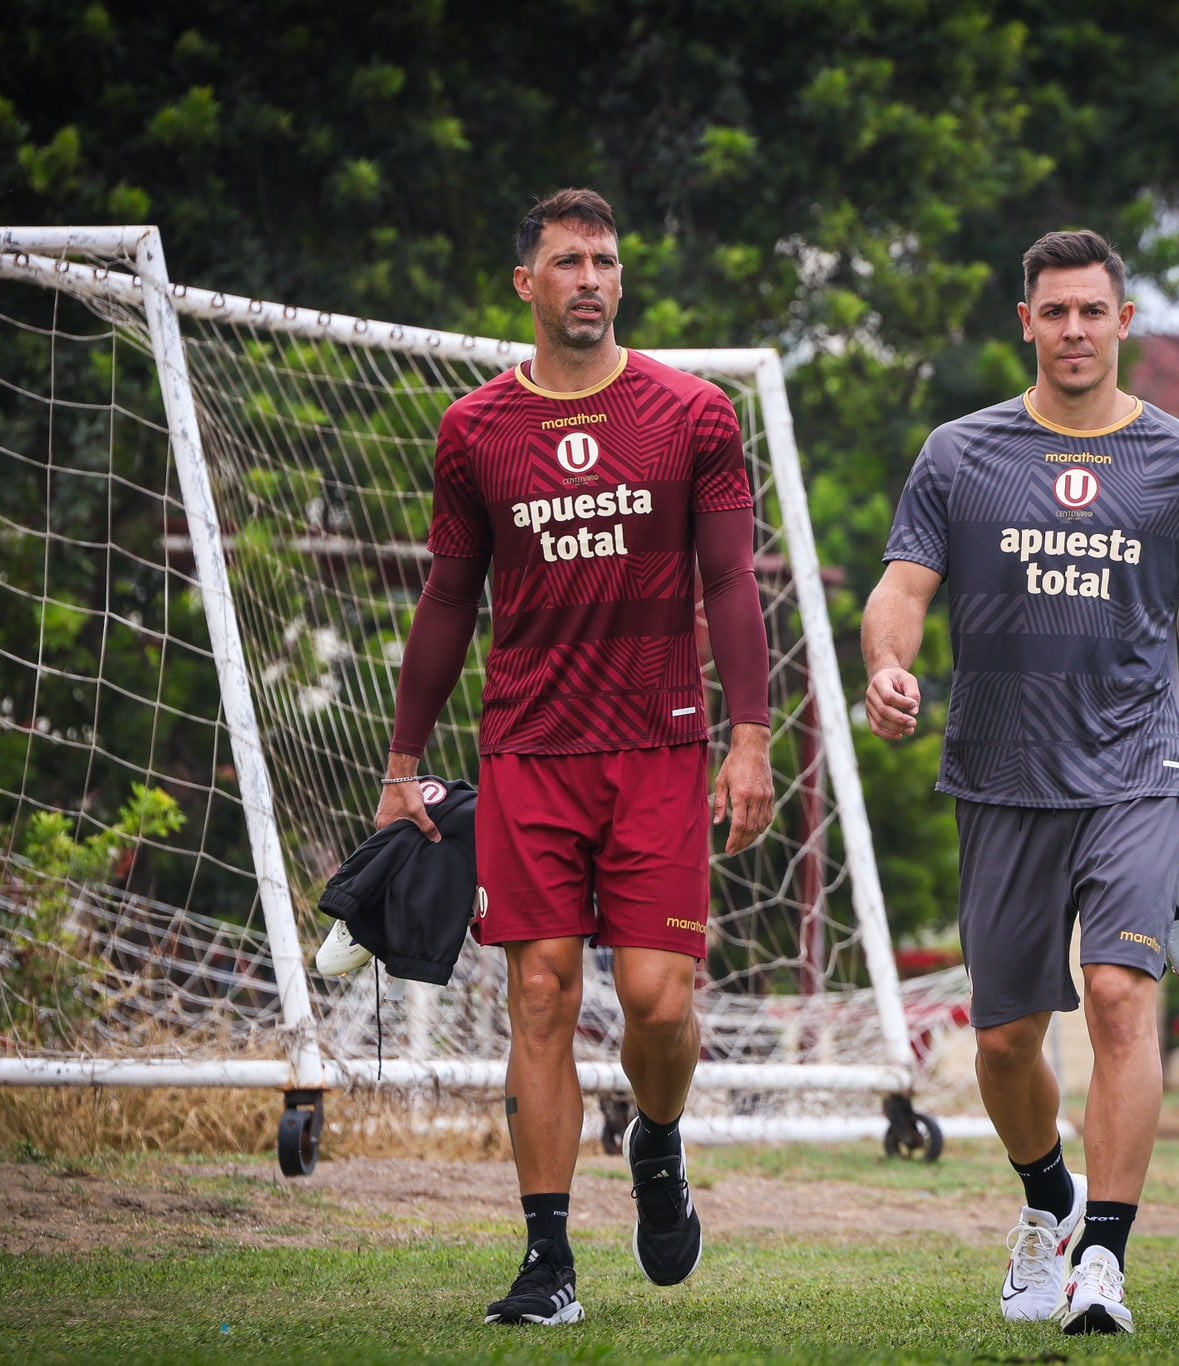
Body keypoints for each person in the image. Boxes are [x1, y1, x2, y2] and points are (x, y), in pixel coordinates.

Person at [377, 188, 775, 1327]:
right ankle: (546, 1263)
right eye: (567, 261)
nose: (589, 278)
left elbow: (730, 584)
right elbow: (449, 597)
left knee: (655, 1003)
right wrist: (406, 758)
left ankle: (655, 1140)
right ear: (528, 285)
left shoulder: (693, 415)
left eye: (604, 260)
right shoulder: (474, 430)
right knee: (540, 995)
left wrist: (748, 738)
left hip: (659, 749)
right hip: (528, 753)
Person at [861, 228, 1179, 1335]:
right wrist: (887, 667)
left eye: (1093, 311)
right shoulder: (958, 454)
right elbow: (899, 589)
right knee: (1001, 1040)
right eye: (1054, 311)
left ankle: (1104, 1264)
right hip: (997, 774)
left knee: (1124, 998)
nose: (1074, 329)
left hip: (1133, 775)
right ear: (1023, 323)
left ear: (1123, 323)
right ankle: (1047, 1204)